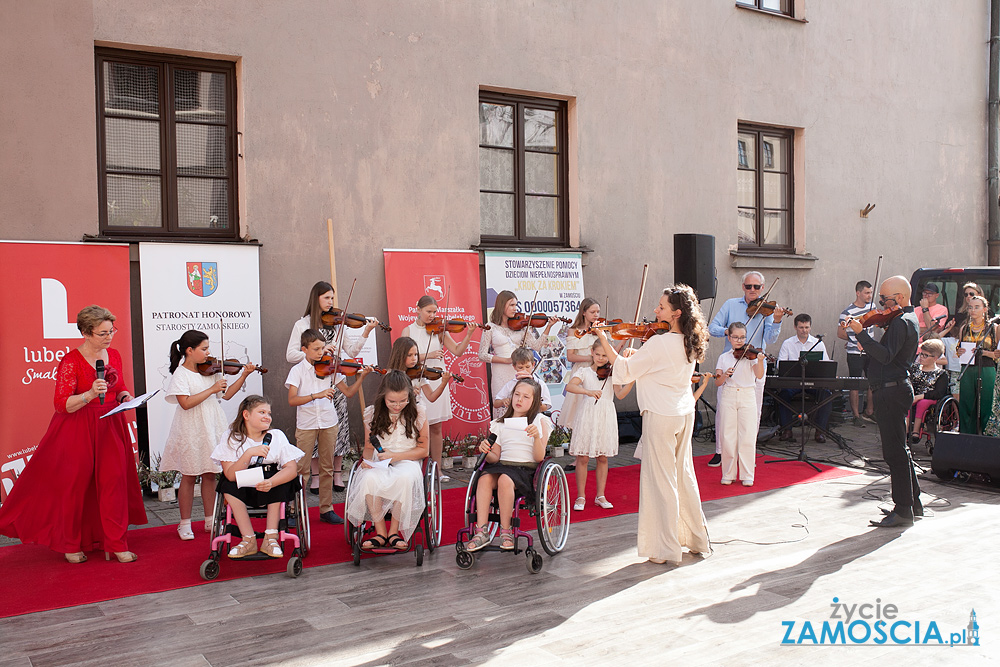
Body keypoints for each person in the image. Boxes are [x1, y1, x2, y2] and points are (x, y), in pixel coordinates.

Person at [0, 306, 146, 563]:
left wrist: (125, 396)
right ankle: (70, 544)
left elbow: (120, 386)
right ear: (86, 333)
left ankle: (116, 543)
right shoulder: (71, 361)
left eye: (111, 331)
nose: (109, 337)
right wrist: (90, 394)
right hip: (78, 428)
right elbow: (61, 404)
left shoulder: (114, 354)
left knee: (113, 484)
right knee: (74, 487)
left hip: (110, 425)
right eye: (103, 333)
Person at [595, 284, 712, 564]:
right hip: (684, 412)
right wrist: (639, 358)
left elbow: (623, 371)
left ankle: (665, 548)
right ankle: (695, 539)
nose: (655, 310)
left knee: (661, 481)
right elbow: (661, 369)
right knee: (683, 476)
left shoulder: (659, 342)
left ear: (676, 313)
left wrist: (602, 336)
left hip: (661, 415)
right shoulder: (691, 340)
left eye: (661, 307)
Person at [286, 281, 382, 495]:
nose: (331, 302)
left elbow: (352, 349)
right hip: (314, 377)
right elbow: (291, 354)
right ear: (316, 299)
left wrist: (366, 331)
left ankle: (336, 474)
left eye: (332, 298)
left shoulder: (338, 324)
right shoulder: (302, 324)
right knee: (313, 429)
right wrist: (316, 353)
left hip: (336, 375)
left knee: (338, 428)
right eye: (327, 298)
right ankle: (316, 478)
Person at [161, 329, 255, 541]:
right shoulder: (181, 374)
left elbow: (227, 394)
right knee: (189, 474)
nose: (207, 353)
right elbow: (185, 403)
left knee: (210, 474)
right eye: (203, 349)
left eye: (208, 348)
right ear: (189, 350)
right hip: (190, 427)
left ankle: (209, 519)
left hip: (212, 424)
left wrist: (244, 375)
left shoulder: (211, 371)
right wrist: (212, 389)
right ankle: (184, 523)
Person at [844, 276, 921, 528]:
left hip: (892, 391)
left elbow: (887, 357)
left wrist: (863, 337)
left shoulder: (901, 322)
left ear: (898, 298)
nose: (880, 305)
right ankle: (913, 503)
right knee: (901, 449)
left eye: (884, 300)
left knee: (894, 452)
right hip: (894, 389)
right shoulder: (903, 320)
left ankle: (903, 510)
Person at [287, 329, 370, 525]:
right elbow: (292, 400)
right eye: (316, 349)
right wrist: (317, 395)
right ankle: (294, 509)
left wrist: (362, 377)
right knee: (302, 468)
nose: (320, 352)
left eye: (322, 348)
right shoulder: (297, 370)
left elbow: (349, 392)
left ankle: (326, 509)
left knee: (327, 467)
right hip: (306, 424)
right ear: (304, 349)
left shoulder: (331, 368)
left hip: (329, 422)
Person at [706, 271, 786, 466]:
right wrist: (729, 332)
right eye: (748, 286)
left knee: (754, 410)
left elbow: (770, 339)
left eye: (756, 287)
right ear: (743, 287)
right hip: (731, 361)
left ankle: (747, 451)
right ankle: (720, 451)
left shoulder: (767, 310)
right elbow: (712, 327)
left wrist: (776, 321)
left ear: (762, 289)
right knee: (724, 408)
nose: (752, 290)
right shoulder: (731, 304)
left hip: (754, 362)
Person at [211, 395, 304, 558]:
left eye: (269, 413)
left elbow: (291, 469)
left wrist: (271, 482)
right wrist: (248, 454)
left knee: (282, 479)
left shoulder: (276, 435)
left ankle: (271, 537)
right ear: (246, 415)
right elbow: (230, 475)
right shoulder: (231, 437)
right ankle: (248, 539)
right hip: (244, 479)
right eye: (262, 412)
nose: (267, 417)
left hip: (271, 480)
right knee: (227, 485)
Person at [345, 371, 429, 551]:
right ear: (383, 397)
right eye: (392, 401)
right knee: (369, 478)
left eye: (403, 400)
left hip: (408, 459)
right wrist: (366, 461)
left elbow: (424, 450)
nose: (398, 405)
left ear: (410, 396)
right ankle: (380, 531)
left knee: (404, 478)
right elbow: (369, 446)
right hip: (380, 460)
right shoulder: (372, 413)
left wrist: (396, 456)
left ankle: (394, 531)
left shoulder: (418, 412)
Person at [465, 378, 551, 552]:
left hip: (525, 469)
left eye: (526, 397)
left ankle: (506, 531)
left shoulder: (539, 421)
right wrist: (486, 450)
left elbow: (539, 456)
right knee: (484, 479)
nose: (519, 400)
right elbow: (494, 458)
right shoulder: (500, 423)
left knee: (505, 479)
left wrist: (536, 438)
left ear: (535, 401)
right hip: (501, 465)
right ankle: (481, 530)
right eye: (517, 395)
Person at [401, 295, 475, 481]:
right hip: (416, 380)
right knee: (414, 427)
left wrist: (468, 335)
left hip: (437, 379)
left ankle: (438, 470)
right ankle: (415, 469)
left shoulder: (439, 330)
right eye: (429, 311)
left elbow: (457, 351)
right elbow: (401, 357)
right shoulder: (408, 330)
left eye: (435, 311)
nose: (432, 315)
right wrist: (429, 354)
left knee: (435, 428)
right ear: (418, 309)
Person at [564, 339, 634, 510]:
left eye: (605, 355)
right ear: (592, 353)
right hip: (587, 415)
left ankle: (600, 495)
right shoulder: (584, 371)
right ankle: (581, 497)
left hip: (605, 416)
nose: (602, 358)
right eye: (598, 354)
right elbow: (570, 387)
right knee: (583, 457)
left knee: (602, 457)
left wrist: (632, 380)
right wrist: (587, 391)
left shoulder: (612, 373)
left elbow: (620, 395)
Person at [478, 290, 558, 419]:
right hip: (500, 372)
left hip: (520, 370)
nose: (515, 309)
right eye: (511, 305)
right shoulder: (490, 327)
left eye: (516, 305)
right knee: (503, 404)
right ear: (501, 305)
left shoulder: (521, 327)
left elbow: (536, 346)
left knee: (521, 404)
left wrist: (548, 327)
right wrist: (506, 360)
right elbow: (482, 354)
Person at [714, 323, 767, 486]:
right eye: (735, 337)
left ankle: (747, 474)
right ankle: (728, 473)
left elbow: (759, 375)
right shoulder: (724, 357)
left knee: (747, 435)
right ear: (729, 338)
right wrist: (725, 375)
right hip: (729, 394)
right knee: (727, 435)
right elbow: (718, 382)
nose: (739, 341)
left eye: (742, 337)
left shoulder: (750, 356)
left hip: (747, 394)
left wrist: (759, 361)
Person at [776, 313, 833, 443]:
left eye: (807, 327)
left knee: (827, 395)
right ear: (795, 327)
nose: (804, 330)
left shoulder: (818, 343)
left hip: (813, 383)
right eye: (801, 327)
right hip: (793, 383)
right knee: (783, 395)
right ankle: (787, 430)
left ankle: (820, 431)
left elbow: (826, 363)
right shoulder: (788, 343)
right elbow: (781, 365)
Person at [954, 295, 999, 434]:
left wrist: (985, 353)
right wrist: (959, 351)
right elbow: (958, 348)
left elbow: (997, 354)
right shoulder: (964, 328)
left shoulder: (994, 328)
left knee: (986, 403)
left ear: (985, 309)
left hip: (987, 368)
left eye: (977, 307)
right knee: (967, 403)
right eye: (970, 307)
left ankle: (987, 437)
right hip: (968, 367)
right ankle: (967, 436)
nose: (973, 310)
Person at [559, 297, 602, 430]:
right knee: (578, 411)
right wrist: (590, 358)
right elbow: (570, 356)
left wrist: (623, 341)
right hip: (581, 371)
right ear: (584, 312)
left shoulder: (600, 330)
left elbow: (609, 353)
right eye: (592, 312)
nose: (596, 315)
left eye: (598, 312)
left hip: (598, 372)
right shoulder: (573, 331)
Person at [838, 280, 876, 426]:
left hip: (871, 351)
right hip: (855, 352)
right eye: (867, 293)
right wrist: (855, 341)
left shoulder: (872, 307)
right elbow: (840, 333)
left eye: (871, 292)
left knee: (872, 381)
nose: (869, 295)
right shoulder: (847, 313)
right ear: (858, 293)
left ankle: (869, 412)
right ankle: (855, 415)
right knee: (855, 382)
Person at [908, 339, 950, 444]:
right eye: (921, 354)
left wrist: (921, 396)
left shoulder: (941, 374)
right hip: (913, 396)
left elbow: (938, 393)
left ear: (935, 358)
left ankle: (916, 431)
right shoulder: (914, 368)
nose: (921, 357)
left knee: (922, 403)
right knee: (907, 400)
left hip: (929, 399)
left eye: (925, 355)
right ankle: (904, 430)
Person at [494, 346, 553, 412]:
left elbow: (545, 407)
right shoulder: (511, 384)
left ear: (533, 365)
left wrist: (535, 402)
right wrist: (503, 401)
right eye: (520, 367)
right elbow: (496, 404)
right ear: (514, 367)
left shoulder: (540, 384)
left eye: (527, 367)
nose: (524, 370)